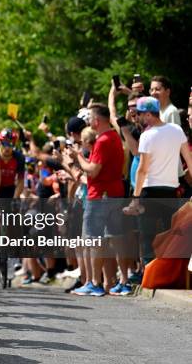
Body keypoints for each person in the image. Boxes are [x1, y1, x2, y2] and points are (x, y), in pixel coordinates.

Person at [123, 97, 192, 263]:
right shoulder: (177, 130)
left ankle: (149, 279)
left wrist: (135, 198)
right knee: (170, 236)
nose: (137, 117)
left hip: (149, 192)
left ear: (147, 114)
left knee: (147, 238)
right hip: (171, 191)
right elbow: (189, 161)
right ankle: (167, 275)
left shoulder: (147, 135)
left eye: (139, 114)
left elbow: (143, 169)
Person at [70, 103, 125, 297]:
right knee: (112, 238)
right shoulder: (114, 137)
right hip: (113, 194)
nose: (89, 121)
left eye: (90, 118)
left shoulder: (102, 140)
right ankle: (113, 281)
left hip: (100, 195)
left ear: (96, 120)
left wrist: (77, 157)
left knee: (93, 240)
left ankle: (94, 282)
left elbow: (93, 169)